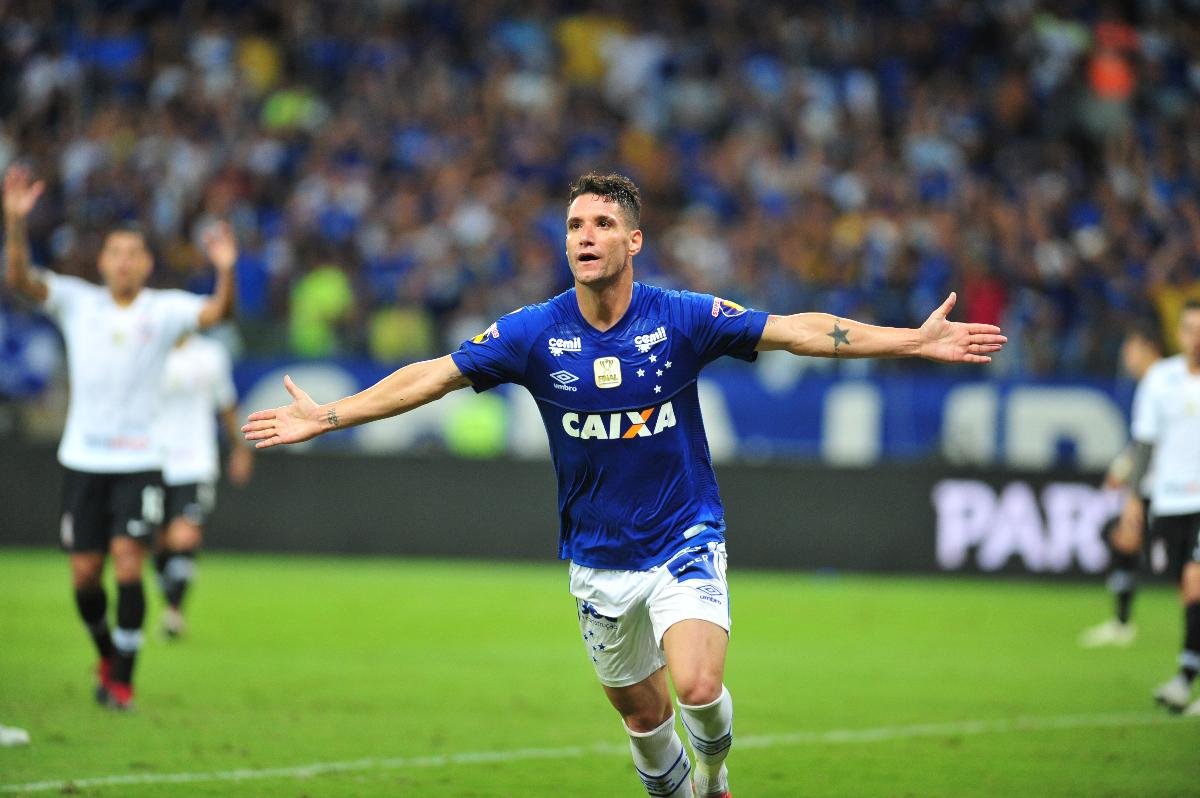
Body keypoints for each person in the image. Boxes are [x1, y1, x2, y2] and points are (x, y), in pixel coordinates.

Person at [241, 173, 1006, 797]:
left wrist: (909, 339)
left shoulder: (680, 318)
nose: (585, 237)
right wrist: (331, 416)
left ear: (634, 241)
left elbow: (795, 330)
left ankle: (714, 776)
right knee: (645, 720)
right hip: (598, 558)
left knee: (699, 687)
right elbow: (434, 375)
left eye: (603, 224)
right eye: (575, 225)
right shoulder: (534, 333)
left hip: (684, 537)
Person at [2, 164, 237, 710]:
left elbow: (217, 312)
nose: (124, 262)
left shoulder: (165, 309)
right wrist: (14, 224)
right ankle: (107, 650)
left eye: (134, 254)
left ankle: (124, 678)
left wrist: (225, 270)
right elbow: (21, 280)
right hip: (84, 459)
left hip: (139, 460)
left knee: (128, 561)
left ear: (147, 265)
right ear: (103, 262)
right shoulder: (76, 301)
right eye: (116, 253)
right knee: (85, 574)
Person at [1121, 300, 1200, 715]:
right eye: (1189, 328)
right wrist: (1135, 497)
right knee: (1186, 592)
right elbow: (1145, 443)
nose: (1196, 337)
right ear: (1179, 334)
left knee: (1194, 581)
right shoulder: (1161, 380)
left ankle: (1184, 679)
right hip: (1169, 501)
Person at [154, 331, 254, 638]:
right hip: (151, 459)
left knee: (185, 535)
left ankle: (173, 612)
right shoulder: (148, 350)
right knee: (160, 540)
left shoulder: (211, 354)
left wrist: (239, 448)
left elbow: (226, 404)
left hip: (196, 460)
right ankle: (171, 603)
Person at [1079, 322, 1164, 648]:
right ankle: (1121, 622)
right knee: (1123, 541)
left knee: (1186, 571)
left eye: (1130, 349)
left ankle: (1123, 623)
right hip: (1163, 485)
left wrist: (1127, 477)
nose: (1126, 358)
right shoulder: (1158, 382)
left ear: (1148, 347)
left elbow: (1150, 441)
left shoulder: (1158, 383)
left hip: (1169, 488)